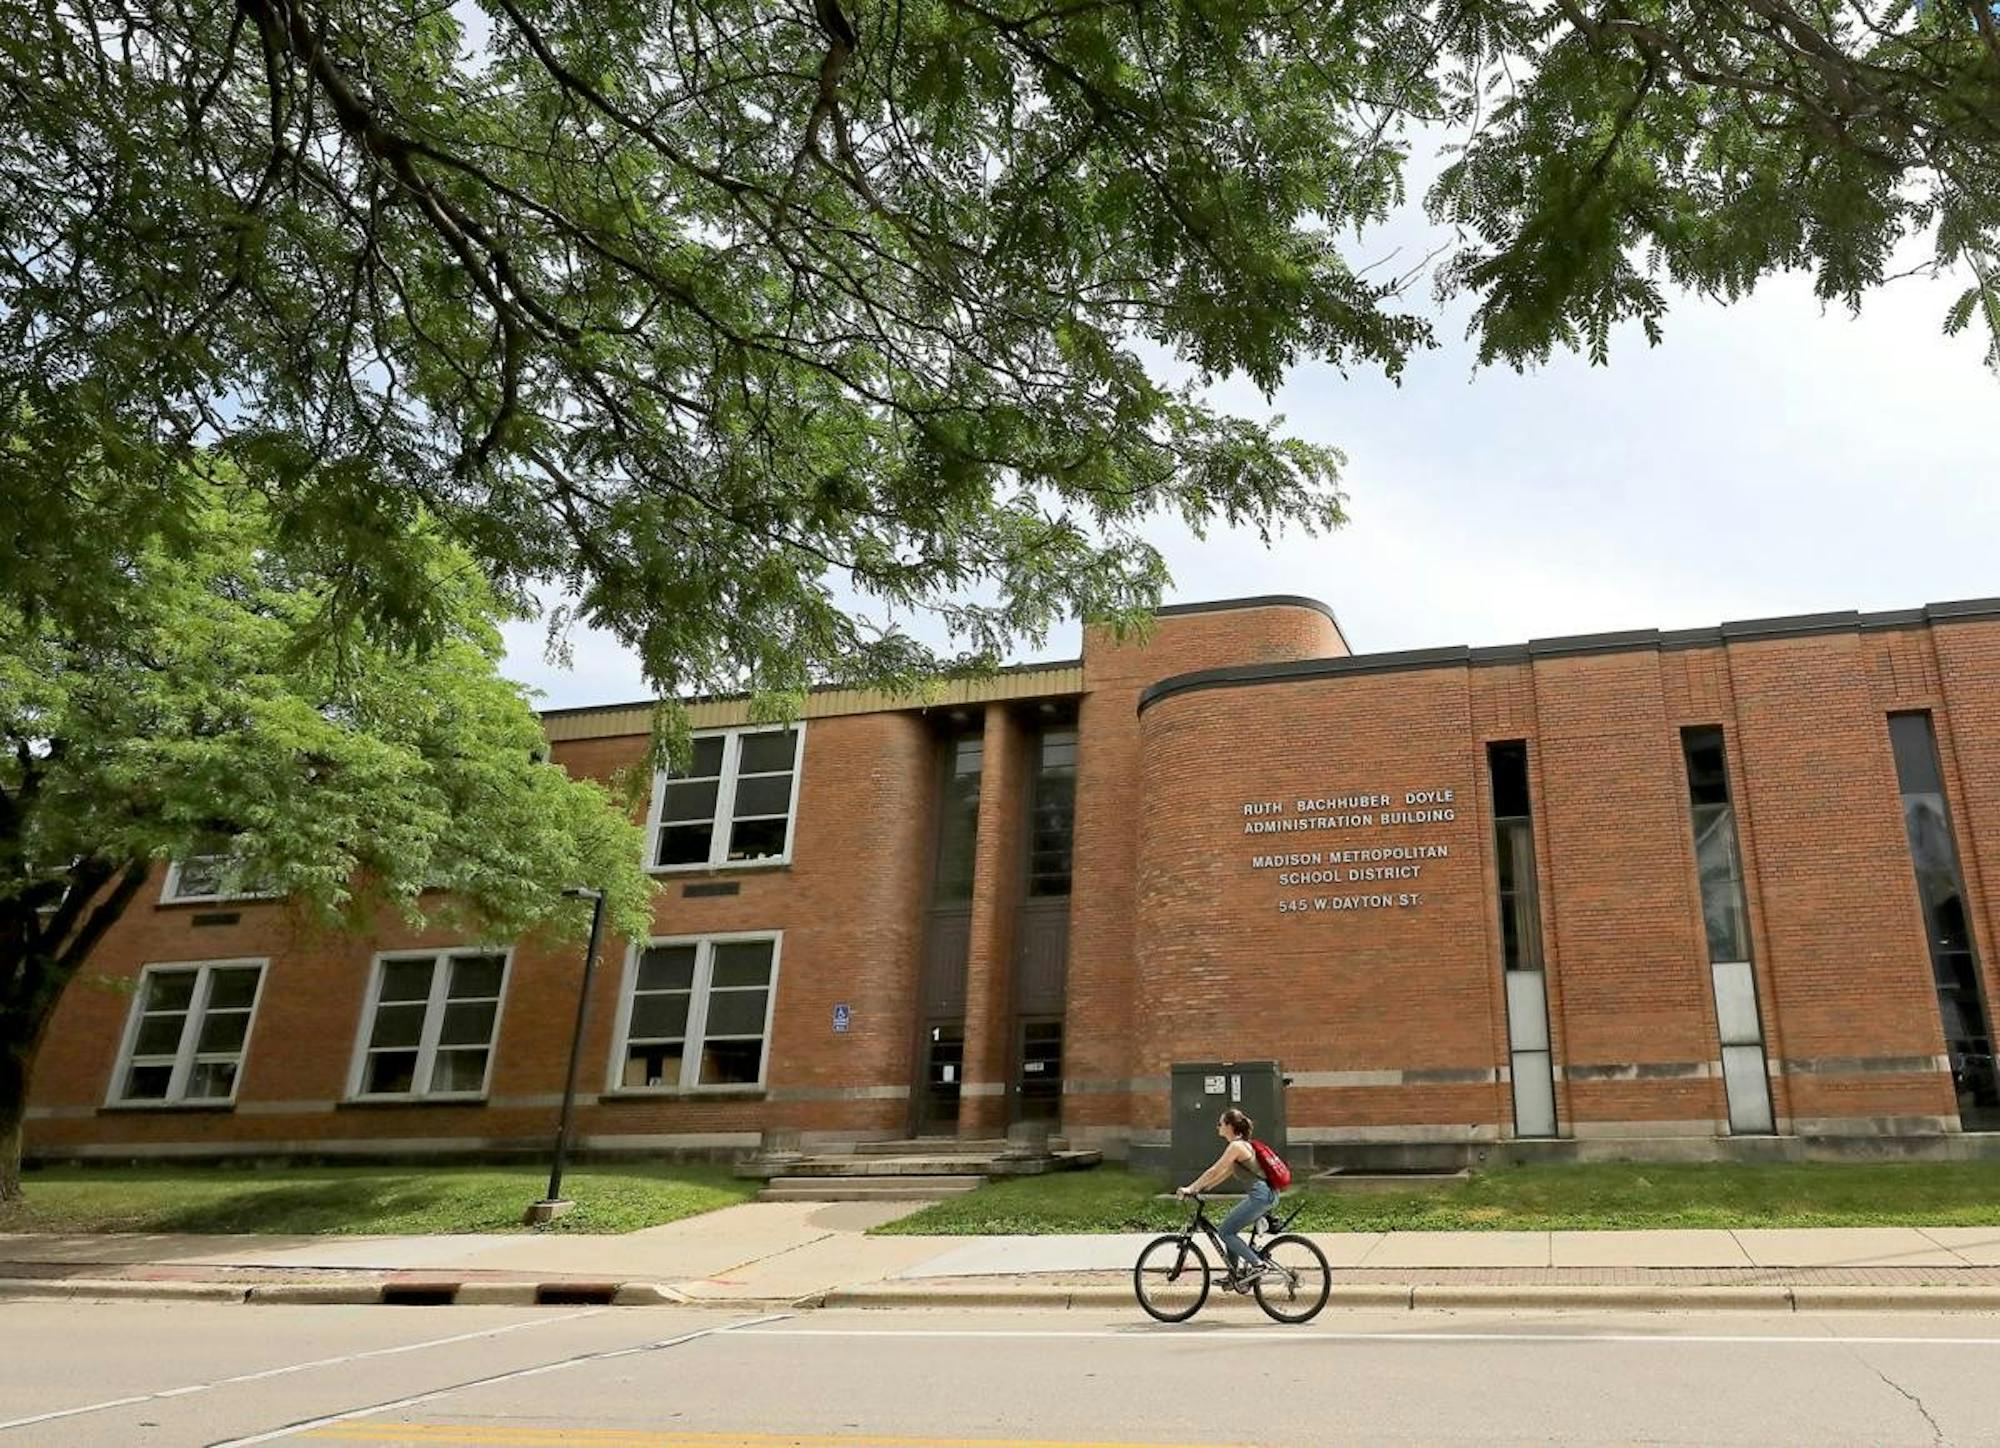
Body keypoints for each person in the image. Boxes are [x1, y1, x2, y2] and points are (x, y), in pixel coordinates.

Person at [1176, 1107, 1277, 1291]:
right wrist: (1205, 1188)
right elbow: (1224, 1173)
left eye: (1220, 1123)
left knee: (1225, 1232)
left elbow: (1214, 1169)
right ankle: (1234, 1276)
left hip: (1260, 1196)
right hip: (1265, 1195)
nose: (1217, 1127)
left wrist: (1191, 1188)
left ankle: (1258, 1265)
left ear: (1229, 1126)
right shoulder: (1243, 1146)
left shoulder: (1236, 1146)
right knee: (1230, 1229)